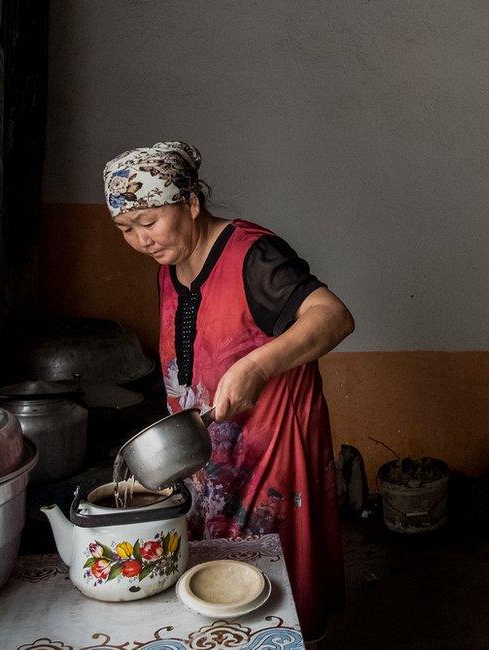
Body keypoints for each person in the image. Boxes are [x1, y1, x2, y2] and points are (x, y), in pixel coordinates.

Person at [103, 141, 354, 641]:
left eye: (149, 221)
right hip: (208, 456)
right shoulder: (170, 268)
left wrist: (258, 367)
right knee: (214, 592)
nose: (141, 240)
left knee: (273, 590)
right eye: (125, 229)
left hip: (272, 451)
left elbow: (333, 317)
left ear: (191, 202)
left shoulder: (253, 255)